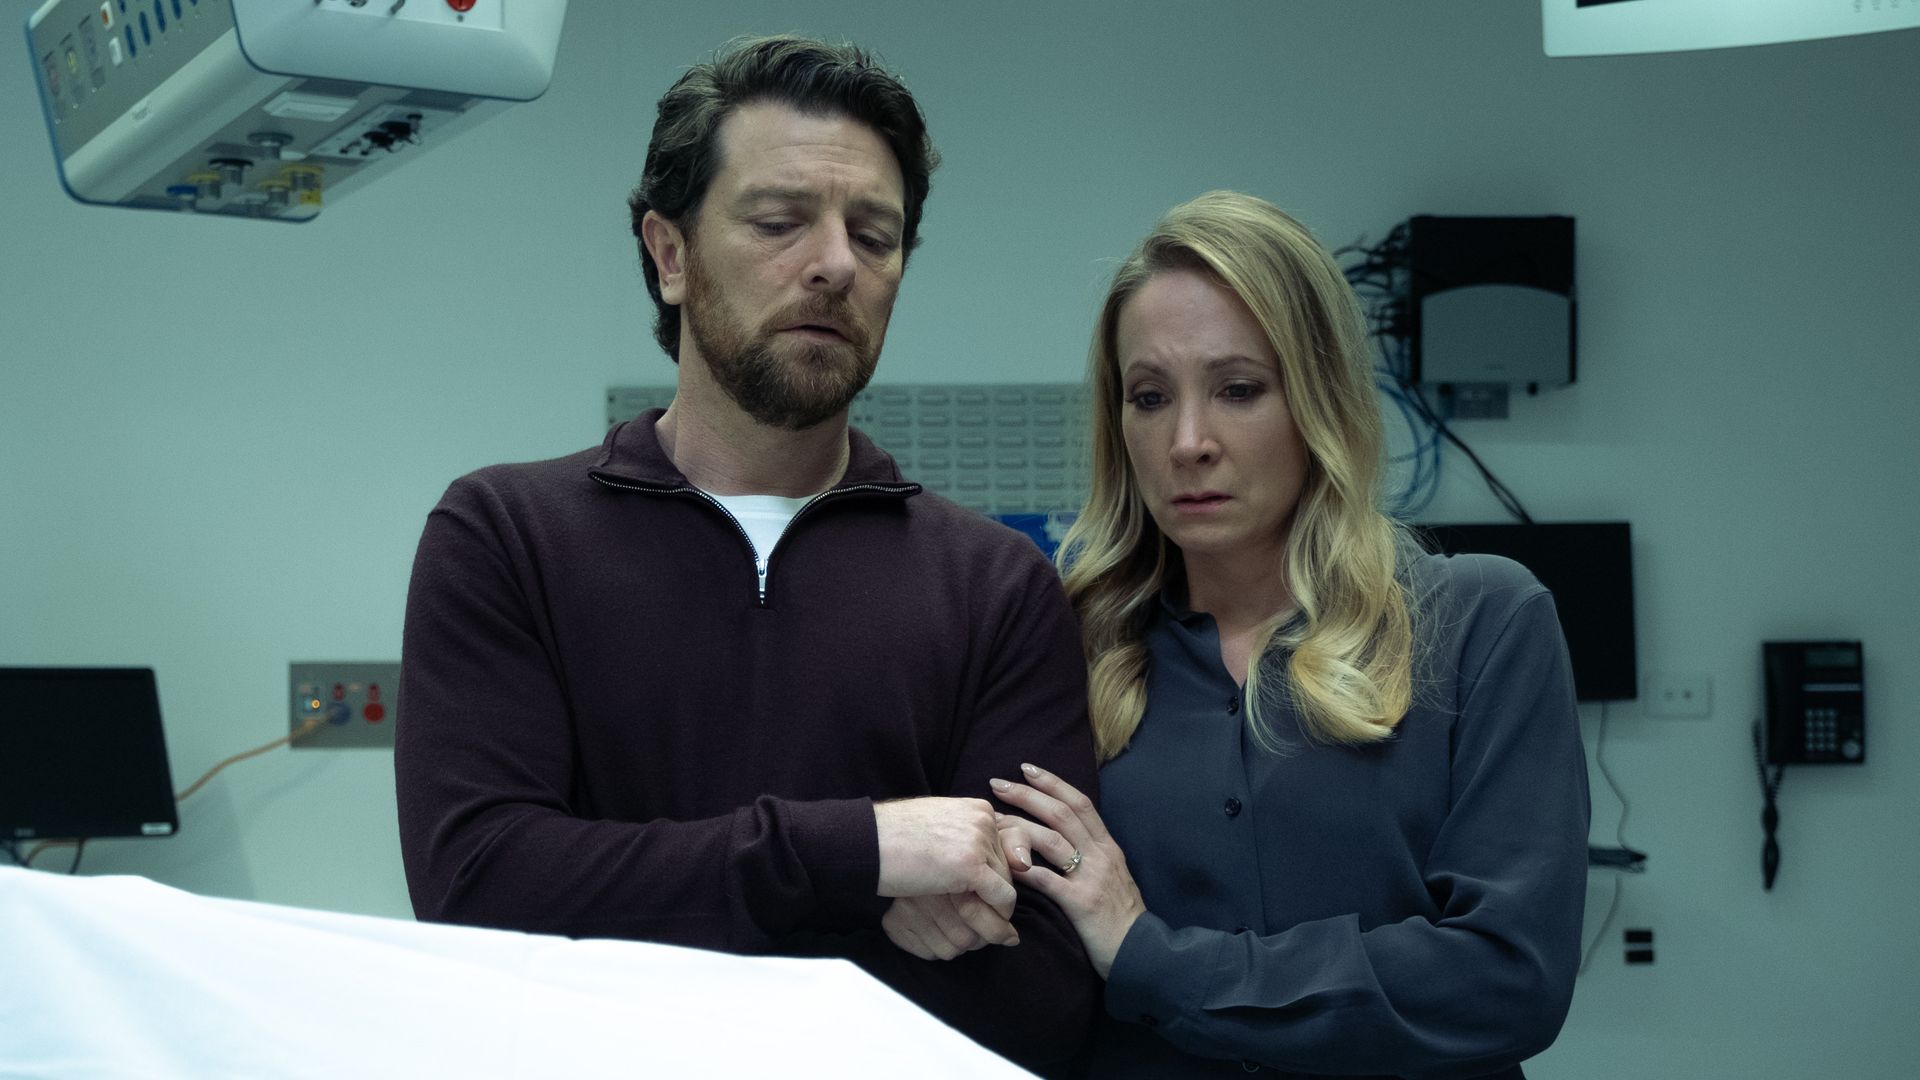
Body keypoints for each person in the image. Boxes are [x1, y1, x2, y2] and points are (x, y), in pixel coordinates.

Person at [393, 37, 1099, 1072]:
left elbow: (1037, 993)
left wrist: (656, 898)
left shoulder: (996, 588)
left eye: (875, 234)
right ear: (669, 254)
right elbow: (481, 892)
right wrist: (865, 858)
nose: (834, 264)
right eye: (779, 222)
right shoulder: (505, 537)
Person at [990, 191, 1591, 1078]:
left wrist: (1148, 956)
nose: (1188, 441)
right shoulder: (1063, 648)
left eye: (1239, 390)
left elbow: (1507, 977)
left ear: (1319, 400)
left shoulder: (1482, 624)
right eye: (1149, 397)